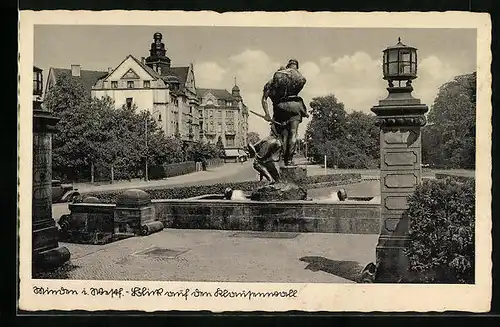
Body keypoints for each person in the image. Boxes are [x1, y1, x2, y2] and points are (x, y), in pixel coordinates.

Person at [261, 59, 309, 166]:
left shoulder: (272, 82)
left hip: (280, 109)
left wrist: (267, 114)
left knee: (283, 136)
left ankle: (282, 158)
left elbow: (264, 99)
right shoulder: (297, 77)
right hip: (295, 107)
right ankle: (290, 160)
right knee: (293, 134)